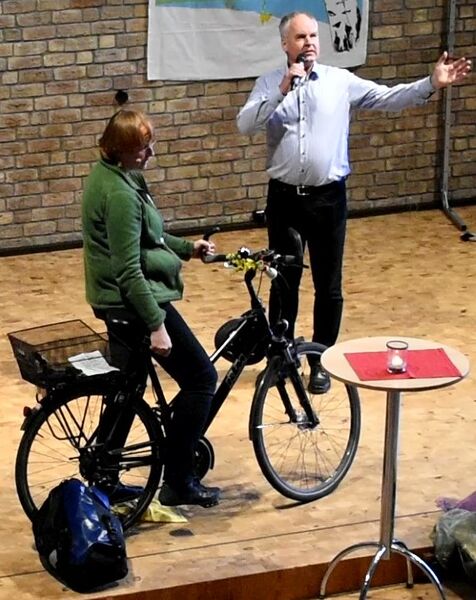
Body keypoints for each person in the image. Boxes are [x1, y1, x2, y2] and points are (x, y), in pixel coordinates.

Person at [236, 11, 472, 394]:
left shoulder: (338, 81)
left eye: (313, 35)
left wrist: (432, 83)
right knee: (284, 283)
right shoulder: (269, 83)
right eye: (301, 37)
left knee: (328, 285)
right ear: (285, 44)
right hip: (284, 200)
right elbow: (245, 125)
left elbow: (388, 98)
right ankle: (282, 358)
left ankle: (321, 361)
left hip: (328, 200)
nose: (309, 42)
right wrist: (281, 89)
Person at [82, 109, 220, 508]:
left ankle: (105, 477)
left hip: (112, 300)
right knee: (201, 378)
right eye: (143, 148)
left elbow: (149, 236)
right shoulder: (120, 194)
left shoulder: (112, 176)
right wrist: (156, 324)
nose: (151, 153)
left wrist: (187, 248)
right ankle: (179, 480)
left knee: (128, 389)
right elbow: (128, 270)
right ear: (121, 149)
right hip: (131, 302)